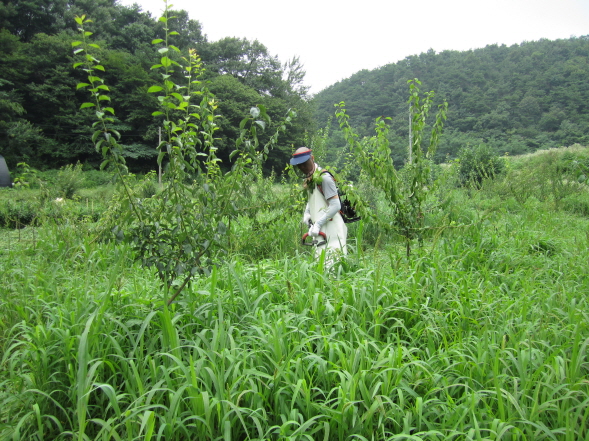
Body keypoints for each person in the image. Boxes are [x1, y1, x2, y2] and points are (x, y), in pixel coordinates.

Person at [290, 147, 347, 263]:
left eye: (305, 164)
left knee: (333, 266)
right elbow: (313, 198)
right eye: (299, 165)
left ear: (312, 158)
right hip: (321, 228)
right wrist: (307, 214)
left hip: (332, 228)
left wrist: (318, 224)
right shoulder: (311, 178)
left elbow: (336, 205)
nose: (303, 168)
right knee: (320, 266)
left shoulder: (324, 178)